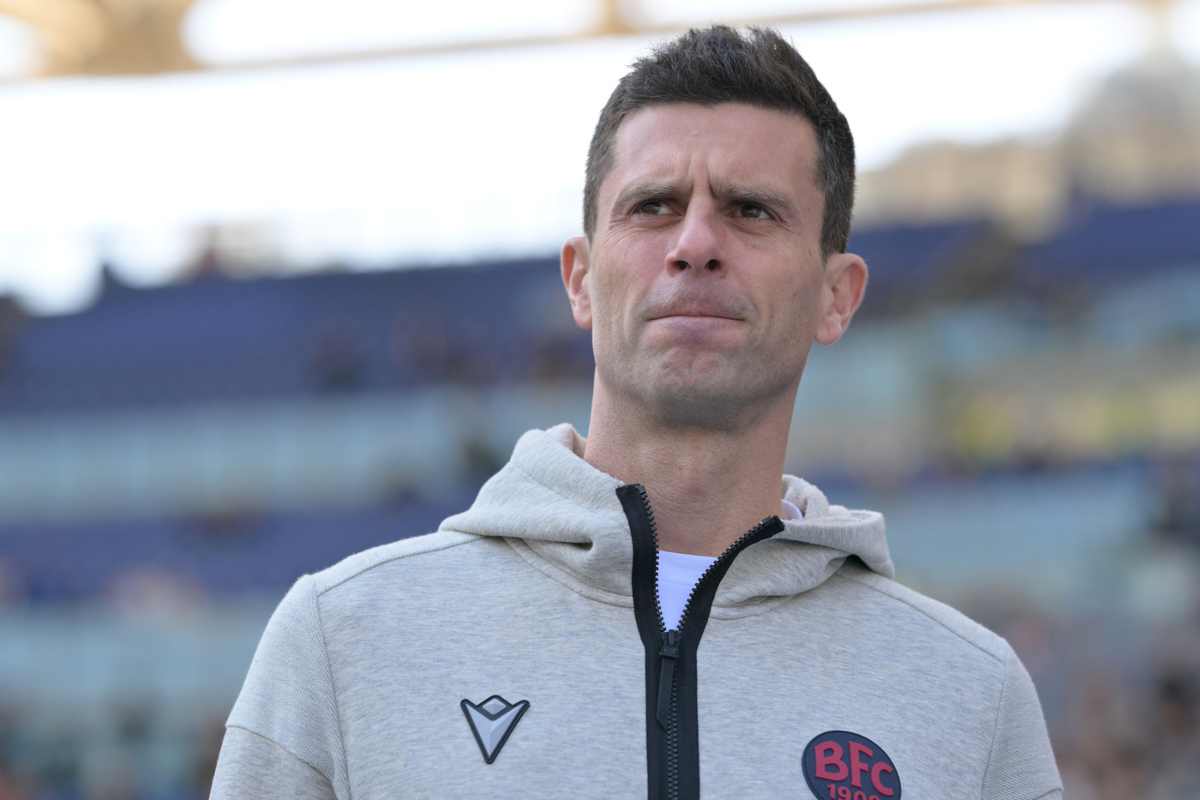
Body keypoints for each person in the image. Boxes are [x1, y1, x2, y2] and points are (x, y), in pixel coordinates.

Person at [210, 26, 1062, 800]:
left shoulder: (970, 695)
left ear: (836, 297)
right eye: (653, 206)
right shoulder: (344, 639)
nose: (695, 244)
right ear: (580, 279)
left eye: (751, 210)